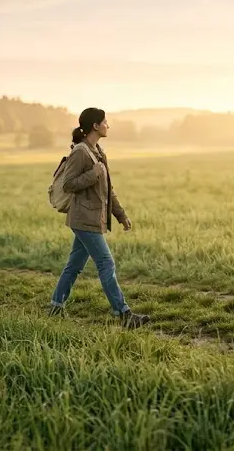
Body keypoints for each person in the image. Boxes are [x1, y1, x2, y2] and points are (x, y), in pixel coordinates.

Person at [48, 108, 150, 329]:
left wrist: (121, 215)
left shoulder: (98, 152)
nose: (107, 125)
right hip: (83, 219)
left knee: (74, 266)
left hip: (94, 218)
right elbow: (68, 184)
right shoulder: (81, 153)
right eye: (105, 122)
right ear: (95, 126)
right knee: (106, 263)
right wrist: (93, 173)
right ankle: (124, 313)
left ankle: (55, 306)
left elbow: (108, 190)